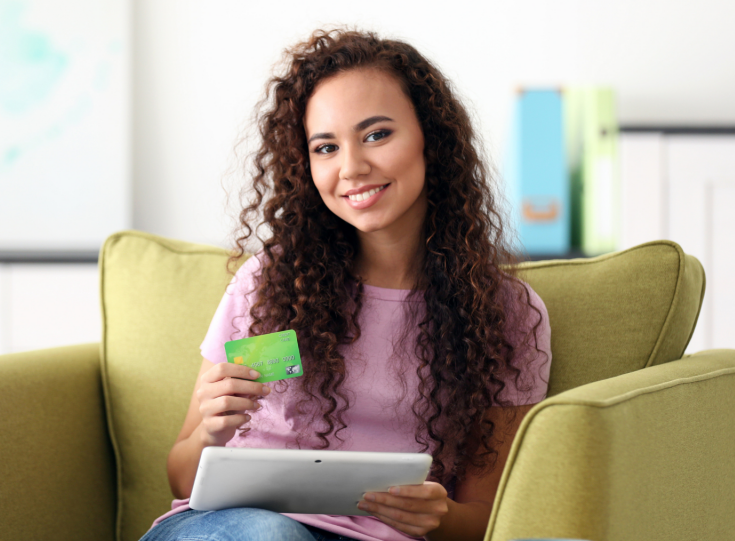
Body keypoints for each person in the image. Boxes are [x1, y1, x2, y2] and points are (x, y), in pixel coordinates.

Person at [140, 28, 551, 541]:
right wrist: (211, 431)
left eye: (377, 135)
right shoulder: (274, 283)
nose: (352, 168)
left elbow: (485, 517)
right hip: (233, 528)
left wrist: (441, 517)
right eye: (326, 147)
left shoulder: (503, 312)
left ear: (432, 139)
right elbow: (181, 476)